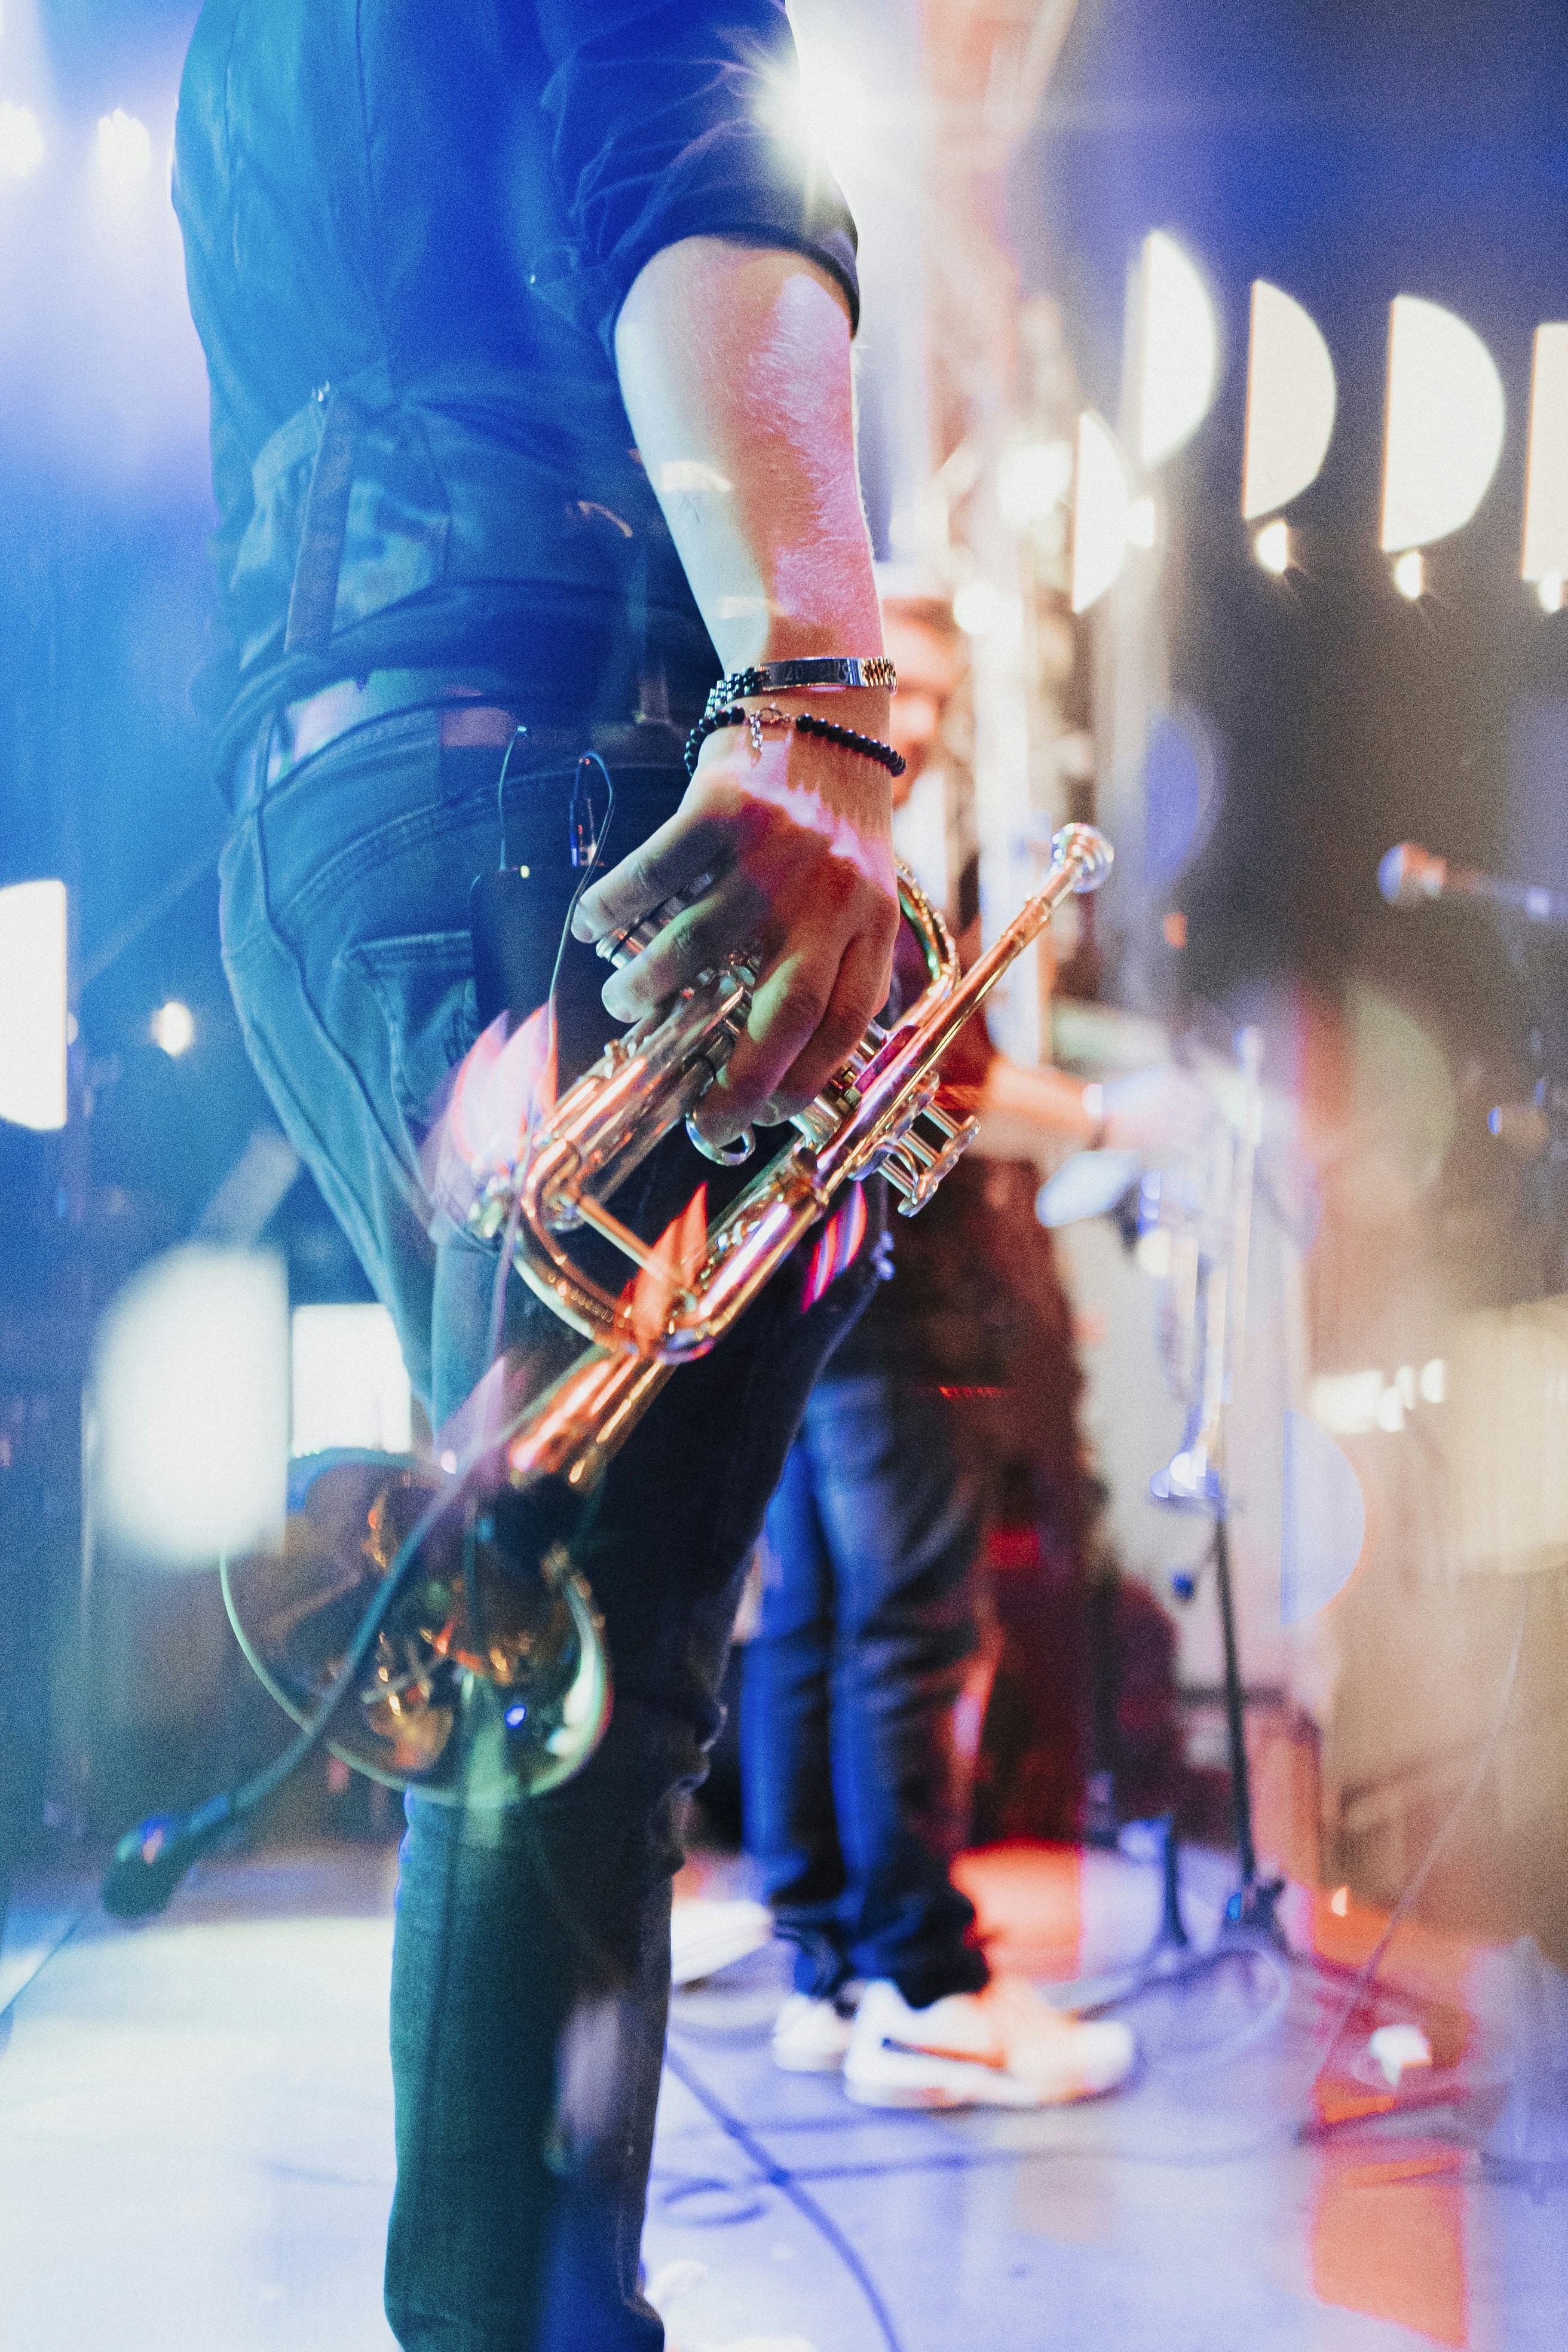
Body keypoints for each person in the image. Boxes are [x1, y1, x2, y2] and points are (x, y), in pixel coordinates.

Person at [172, 8, 914, 2346]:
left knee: (527, 1663)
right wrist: (811, 681)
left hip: (333, 813)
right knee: (580, 1688)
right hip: (532, 784)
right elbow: (691, 152)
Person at [744, 596, 1193, 2105]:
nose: (919, 726)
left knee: (822, 1625)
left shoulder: (809, 835)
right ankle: (923, 1987)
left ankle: (831, 1965)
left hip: (819, 1297)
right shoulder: (863, 851)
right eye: (900, 691)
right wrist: (1117, 1118)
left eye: (938, 696)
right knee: (907, 1632)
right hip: (889, 1287)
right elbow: (946, 1078)